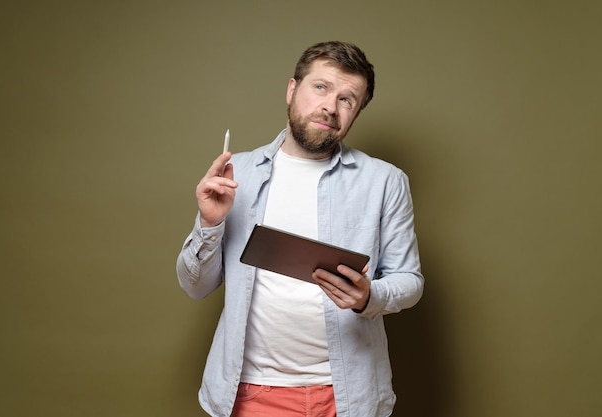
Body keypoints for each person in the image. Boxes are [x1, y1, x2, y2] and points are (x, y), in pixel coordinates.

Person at [176, 40, 424, 417]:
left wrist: (368, 297)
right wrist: (209, 223)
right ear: (293, 90)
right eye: (321, 87)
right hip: (251, 395)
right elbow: (195, 287)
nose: (330, 106)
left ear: (356, 113)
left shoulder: (385, 181)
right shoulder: (235, 174)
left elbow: (410, 281)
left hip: (348, 397)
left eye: (347, 99)